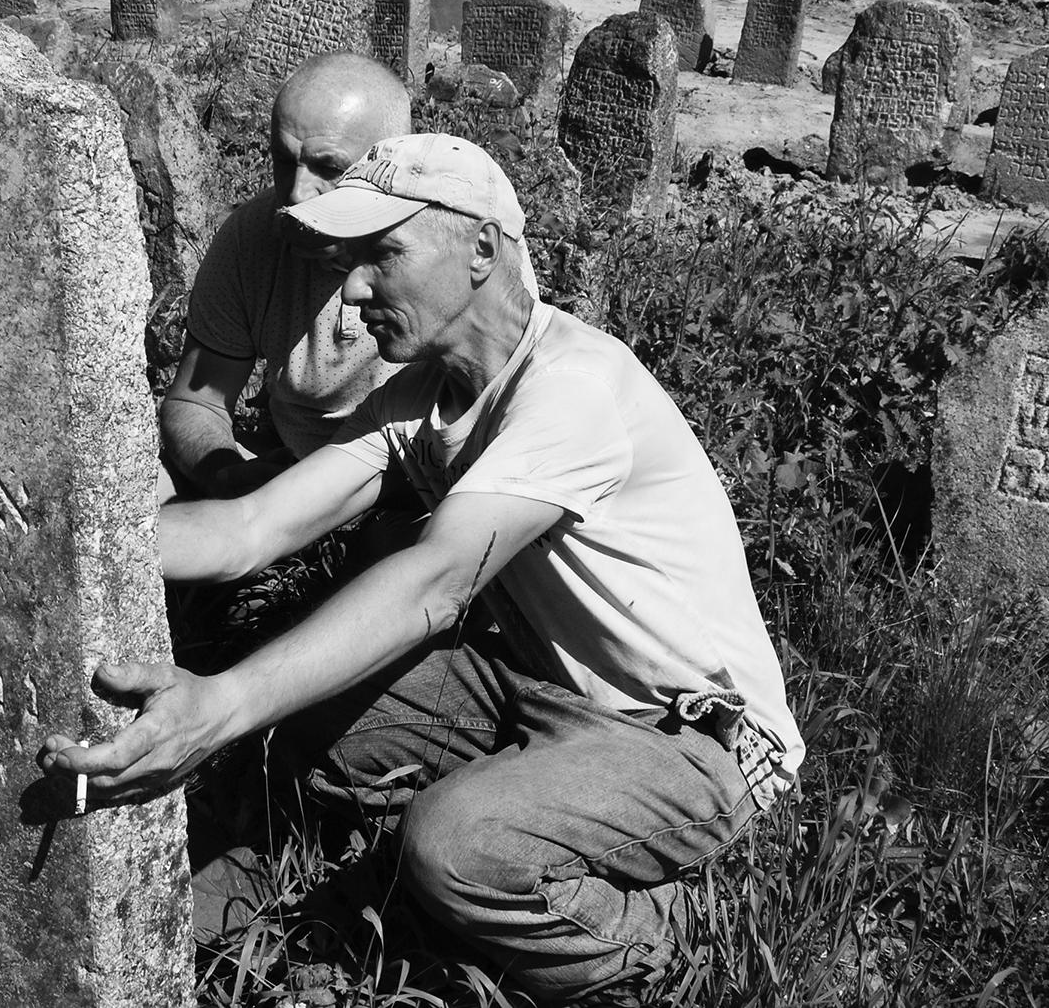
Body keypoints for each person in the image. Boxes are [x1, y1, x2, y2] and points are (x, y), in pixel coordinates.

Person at [44, 134, 804, 1003]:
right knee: (308, 717)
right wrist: (52, 536)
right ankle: (362, 875)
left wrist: (216, 706)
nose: (353, 289)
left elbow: (436, 586)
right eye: (348, 259)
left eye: (383, 255)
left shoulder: (575, 389)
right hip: (532, 685)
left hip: (689, 738)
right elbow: (253, 525)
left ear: (481, 248)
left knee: (449, 848)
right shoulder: (429, 390)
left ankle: (656, 942)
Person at [161, 52, 413, 498]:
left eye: (329, 169)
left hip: (411, 488)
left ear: (390, 163)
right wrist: (229, 476)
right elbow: (196, 400)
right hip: (287, 473)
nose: (297, 192)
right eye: (283, 158)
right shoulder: (253, 237)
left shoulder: (448, 245)